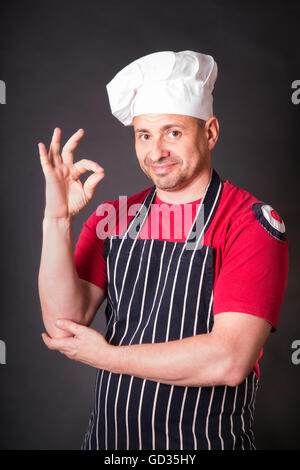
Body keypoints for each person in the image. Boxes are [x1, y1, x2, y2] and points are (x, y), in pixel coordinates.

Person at [38, 50, 289, 451]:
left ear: (210, 132)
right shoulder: (113, 217)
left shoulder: (250, 223)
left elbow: (229, 360)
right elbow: (63, 325)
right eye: (145, 135)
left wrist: (107, 357)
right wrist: (56, 219)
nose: (156, 152)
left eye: (173, 132)